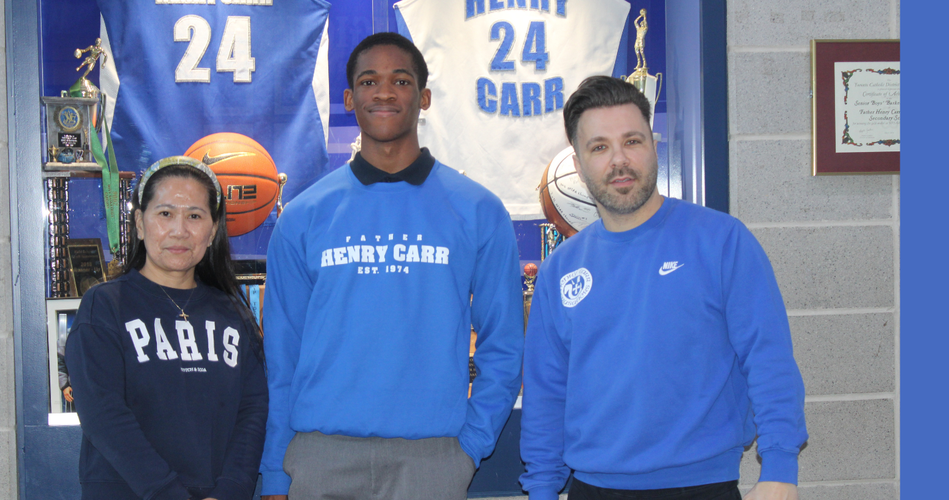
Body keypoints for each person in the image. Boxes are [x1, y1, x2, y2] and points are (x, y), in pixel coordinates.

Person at [259, 32, 525, 500]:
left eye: (400, 80)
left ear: (423, 97)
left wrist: (469, 447)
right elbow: (282, 359)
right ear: (349, 98)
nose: (384, 92)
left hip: (433, 461)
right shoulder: (303, 216)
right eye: (369, 81)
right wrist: (277, 472)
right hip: (321, 459)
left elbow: (503, 346)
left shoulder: (477, 210)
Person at [519, 76, 808, 500]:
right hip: (594, 488)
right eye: (599, 147)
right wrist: (542, 489)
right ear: (579, 165)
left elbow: (768, 358)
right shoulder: (560, 269)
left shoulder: (721, 241)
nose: (619, 160)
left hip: (703, 485)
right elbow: (547, 392)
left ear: (653, 147)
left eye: (632, 141)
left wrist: (780, 469)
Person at [66, 156, 269, 500]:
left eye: (194, 215)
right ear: (140, 225)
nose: (179, 230)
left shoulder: (234, 313)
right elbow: (104, 415)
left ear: (213, 229)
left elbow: (253, 410)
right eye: (165, 214)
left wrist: (232, 490)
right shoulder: (104, 307)